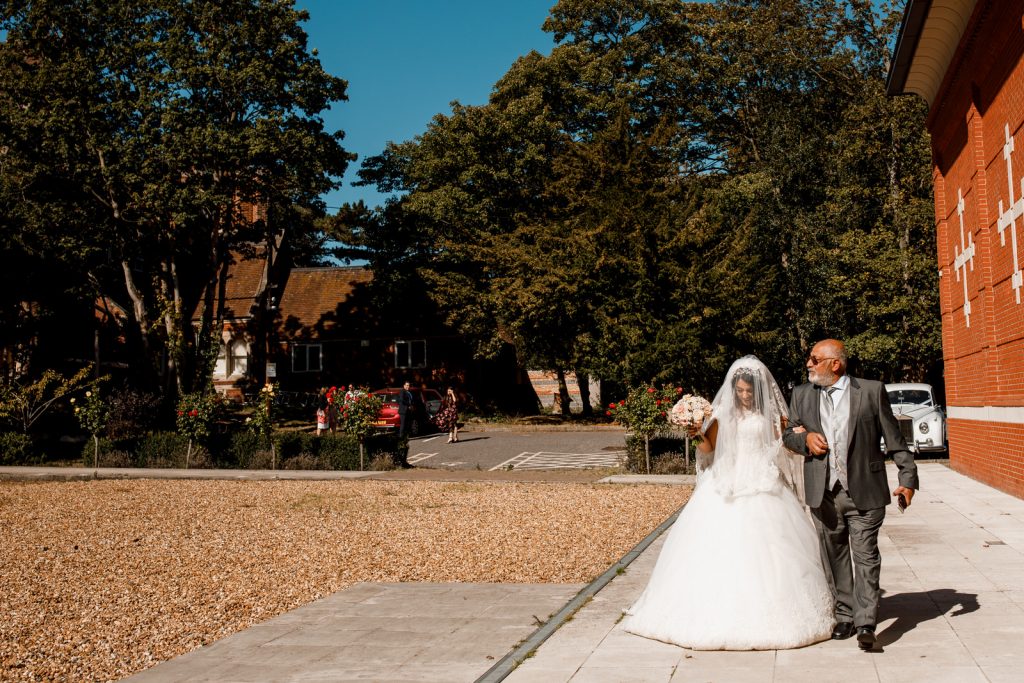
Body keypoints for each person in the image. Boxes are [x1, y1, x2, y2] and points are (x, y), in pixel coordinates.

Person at [622, 356, 834, 650]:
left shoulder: (772, 416)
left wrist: (799, 437)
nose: (745, 396)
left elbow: (785, 442)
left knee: (775, 548)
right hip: (725, 483)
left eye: (749, 391)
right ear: (733, 390)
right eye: (740, 391)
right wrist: (695, 432)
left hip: (762, 481)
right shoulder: (722, 414)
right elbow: (709, 447)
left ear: (758, 390)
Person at [783, 339, 918, 651]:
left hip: (865, 490)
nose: (808, 364)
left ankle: (866, 621)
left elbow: (894, 439)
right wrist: (806, 441)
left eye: (814, 359)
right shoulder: (802, 394)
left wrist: (907, 479)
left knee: (865, 555)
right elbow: (789, 435)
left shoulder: (870, 391)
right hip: (823, 493)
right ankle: (845, 614)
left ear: (835, 364)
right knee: (834, 555)